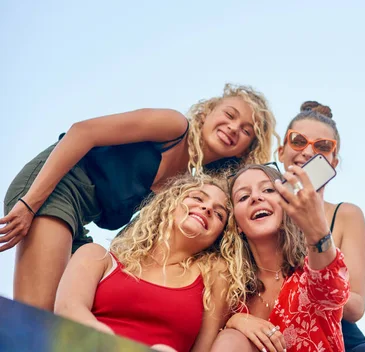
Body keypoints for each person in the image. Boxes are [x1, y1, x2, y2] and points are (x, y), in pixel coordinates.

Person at [0, 83, 277, 311]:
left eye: (246, 131)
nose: (233, 128)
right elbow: (82, 132)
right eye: (229, 115)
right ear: (206, 113)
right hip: (56, 187)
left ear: (244, 151)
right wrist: (29, 204)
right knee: (39, 315)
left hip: (79, 221)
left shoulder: (190, 186)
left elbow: (134, 239)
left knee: (87, 306)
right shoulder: (174, 127)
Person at [54, 173, 230, 352]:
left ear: (219, 237)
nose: (207, 208)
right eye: (198, 198)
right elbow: (68, 308)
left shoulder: (213, 278)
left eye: (219, 214)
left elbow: (203, 348)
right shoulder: (96, 256)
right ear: (170, 202)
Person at [278, 102, 365, 352]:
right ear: (281, 151)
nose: (308, 152)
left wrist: (317, 281)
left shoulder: (346, 215)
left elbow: (355, 306)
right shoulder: (259, 210)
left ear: (334, 161)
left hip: (337, 334)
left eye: (322, 147)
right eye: (298, 141)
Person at [211, 164, 350, 352]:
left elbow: (332, 291)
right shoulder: (232, 290)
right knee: (230, 337)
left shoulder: (308, 273)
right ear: (237, 225)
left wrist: (317, 229)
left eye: (268, 190)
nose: (255, 197)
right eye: (243, 197)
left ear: (287, 205)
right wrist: (235, 321)